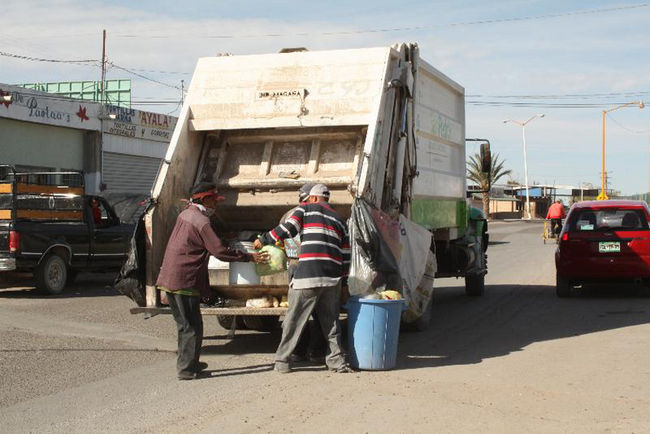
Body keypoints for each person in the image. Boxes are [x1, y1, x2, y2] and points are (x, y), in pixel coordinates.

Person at [156, 182, 267, 380]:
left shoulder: (185, 214)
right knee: (192, 326)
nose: (216, 204)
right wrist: (249, 257)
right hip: (185, 279)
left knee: (184, 325)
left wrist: (222, 236)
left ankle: (189, 363)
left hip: (169, 277)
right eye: (214, 200)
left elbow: (197, 240)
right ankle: (187, 369)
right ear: (205, 199)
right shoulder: (201, 221)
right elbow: (219, 251)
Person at [254, 183, 353, 374]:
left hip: (308, 275)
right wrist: (344, 283)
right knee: (331, 323)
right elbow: (346, 255)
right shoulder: (340, 219)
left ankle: (282, 361)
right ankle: (336, 362)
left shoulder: (305, 210)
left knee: (293, 320)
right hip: (332, 278)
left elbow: (287, 230)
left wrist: (264, 239)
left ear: (313, 198)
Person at [283, 183, 326, 363]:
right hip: (313, 265)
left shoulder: (288, 214)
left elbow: (283, 237)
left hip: (294, 265)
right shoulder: (315, 214)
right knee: (319, 311)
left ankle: (297, 351)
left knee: (297, 311)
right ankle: (317, 352)